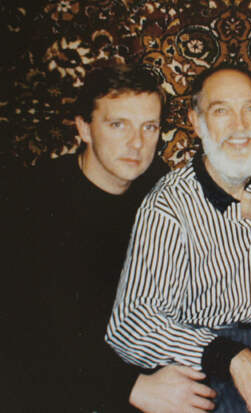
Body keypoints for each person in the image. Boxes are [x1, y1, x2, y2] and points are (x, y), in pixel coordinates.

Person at [105, 65, 251, 413]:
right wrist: (232, 357)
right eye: (221, 111)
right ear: (196, 123)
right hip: (212, 349)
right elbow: (130, 324)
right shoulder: (168, 206)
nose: (240, 125)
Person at [0, 64, 200, 412]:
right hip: (50, 379)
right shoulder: (32, 197)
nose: (136, 143)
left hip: (133, 363)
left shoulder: (158, 186)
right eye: (118, 124)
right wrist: (131, 387)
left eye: (149, 127)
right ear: (84, 129)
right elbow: (29, 330)